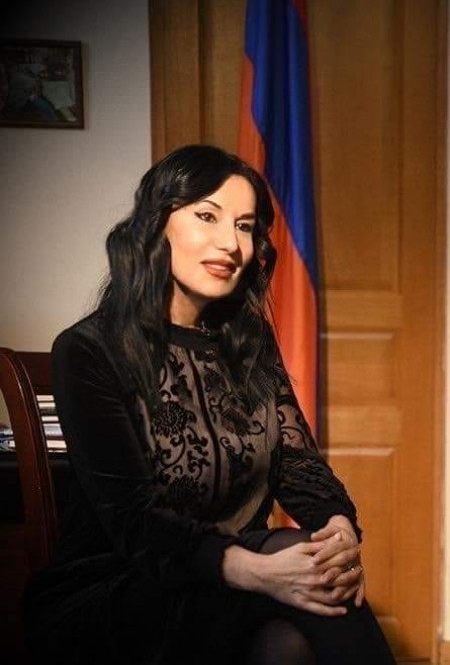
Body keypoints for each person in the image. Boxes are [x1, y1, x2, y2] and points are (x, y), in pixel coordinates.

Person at [23, 145, 396, 665]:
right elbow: (135, 523)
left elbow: (298, 464)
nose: (230, 243)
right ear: (157, 223)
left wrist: (338, 527)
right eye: (207, 216)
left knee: (288, 641)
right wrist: (256, 570)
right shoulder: (90, 349)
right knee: (295, 560)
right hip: (120, 589)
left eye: (245, 226)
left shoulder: (249, 340)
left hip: (231, 585)